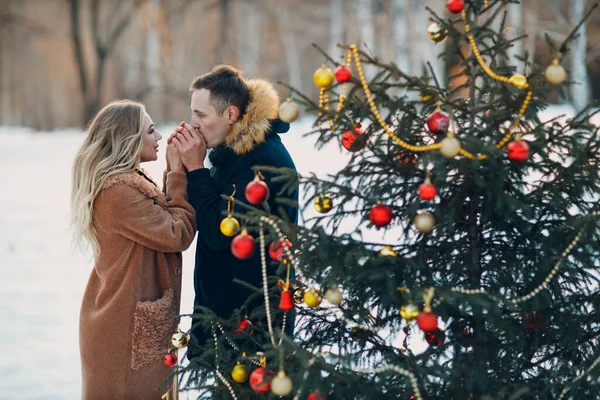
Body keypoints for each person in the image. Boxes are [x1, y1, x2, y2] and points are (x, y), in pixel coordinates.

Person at [70, 99, 197, 399]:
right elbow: (176, 233)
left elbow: (160, 214)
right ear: (128, 140)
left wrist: (171, 171)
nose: (160, 138)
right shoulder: (117, 192)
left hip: (129, 322)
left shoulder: (129, 181)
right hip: (123, 330)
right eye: (151, 131)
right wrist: (177, 173)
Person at [168, 65, 298, 357]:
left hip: (252, 330)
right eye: (193, 113)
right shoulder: (233, 153)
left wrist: (197, 170)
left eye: (201, 115)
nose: (193, 124)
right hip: (231, 319)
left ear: (230, 115)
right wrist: (177, 169)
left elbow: (219, 231)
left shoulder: (261, 162)